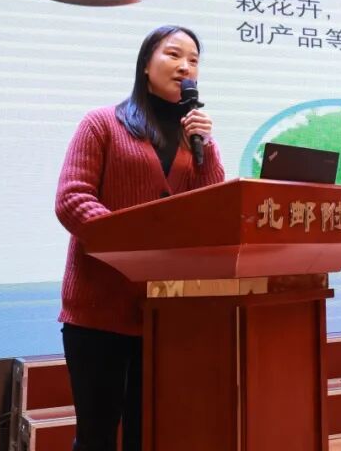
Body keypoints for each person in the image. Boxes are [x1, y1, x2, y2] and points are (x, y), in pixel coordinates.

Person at [54, 25, 225, 451]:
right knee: (96, 436)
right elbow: (72, 199)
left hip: (166, 313)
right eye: (174, 54)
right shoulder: (102, 124)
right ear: (146, 65)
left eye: (194, 60)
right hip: (98, 309)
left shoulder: (196, 140)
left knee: (149, 435)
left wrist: (206, 149)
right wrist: (130, 248)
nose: (185, 67)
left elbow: (212, 211)